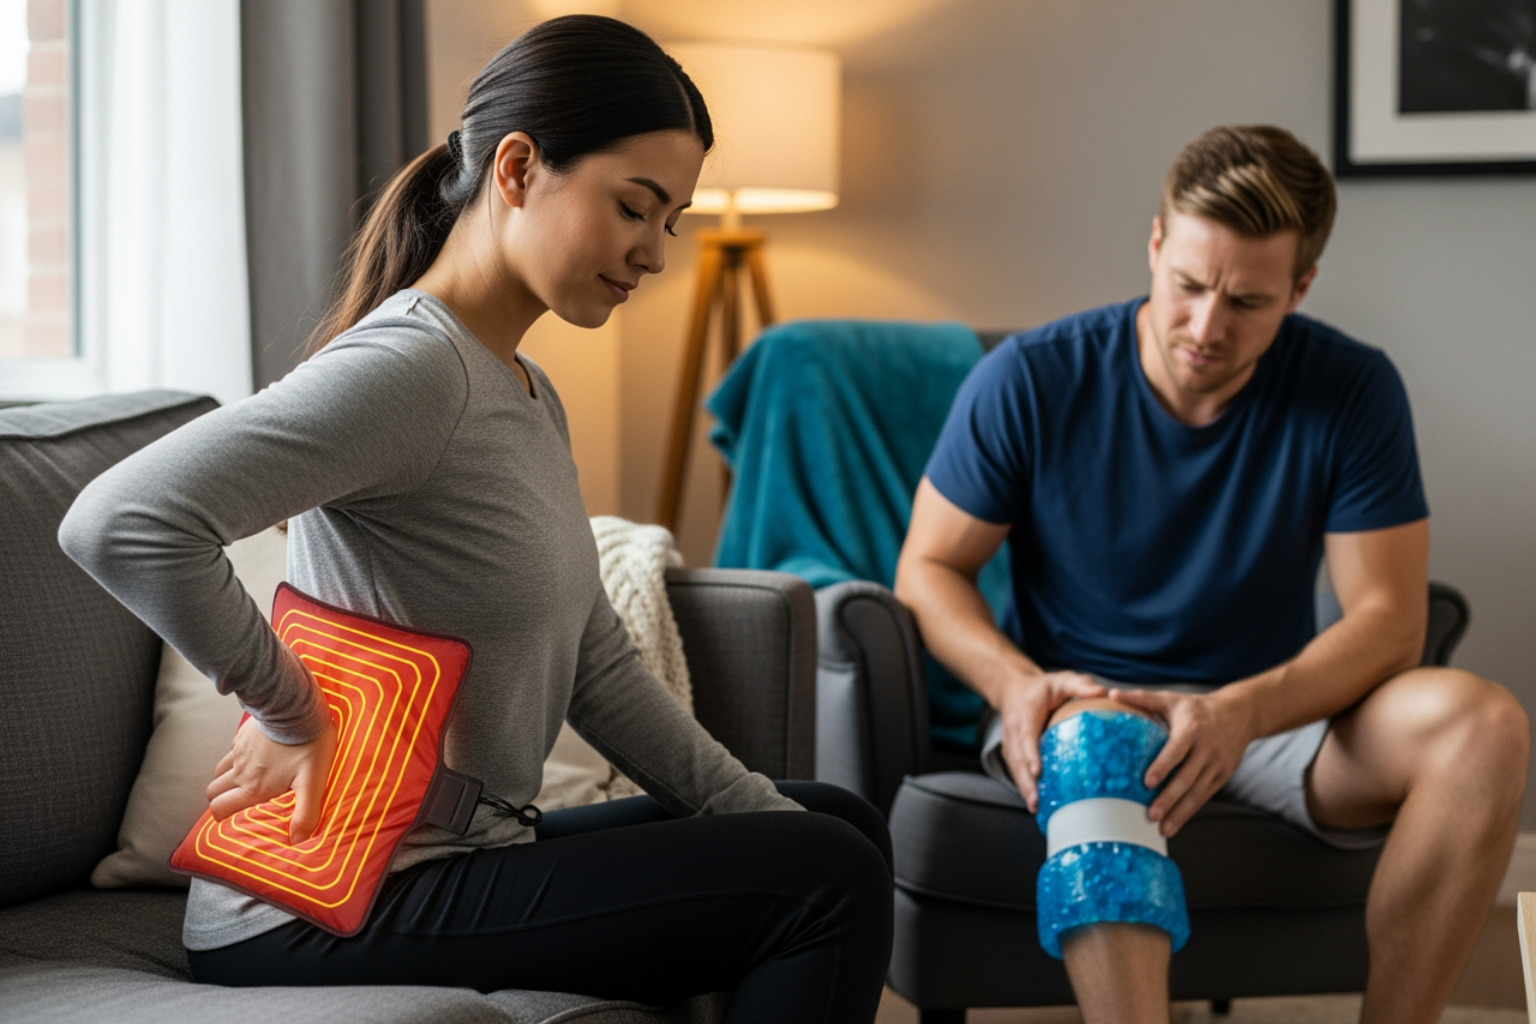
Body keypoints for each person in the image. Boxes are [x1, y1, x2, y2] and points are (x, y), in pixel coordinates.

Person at [59, 15, 892, 1021]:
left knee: (830, 822)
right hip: (321, 902)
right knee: (826, 876)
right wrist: (293, 712)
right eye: (634, 207)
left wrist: (748, 811)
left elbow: (598, 668)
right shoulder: (411, 368)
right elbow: (123, 519)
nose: (653, 253)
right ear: (518, 168)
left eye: (669, 221)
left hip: (459, 856)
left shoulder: (527, 391)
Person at [894, 124, 1529, 1024]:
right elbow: (928, 568)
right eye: (1189, 285)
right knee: (1097, 743)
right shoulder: (1030, 378)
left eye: (1248, 302)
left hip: (1270, 715)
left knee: (1487, 727)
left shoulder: (1353, 389)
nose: (1206, 327)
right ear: (1156, 244)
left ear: (1300, 288)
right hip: (1087, 704)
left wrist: (1240, 714)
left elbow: (1391, 622)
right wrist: (1016, 683)